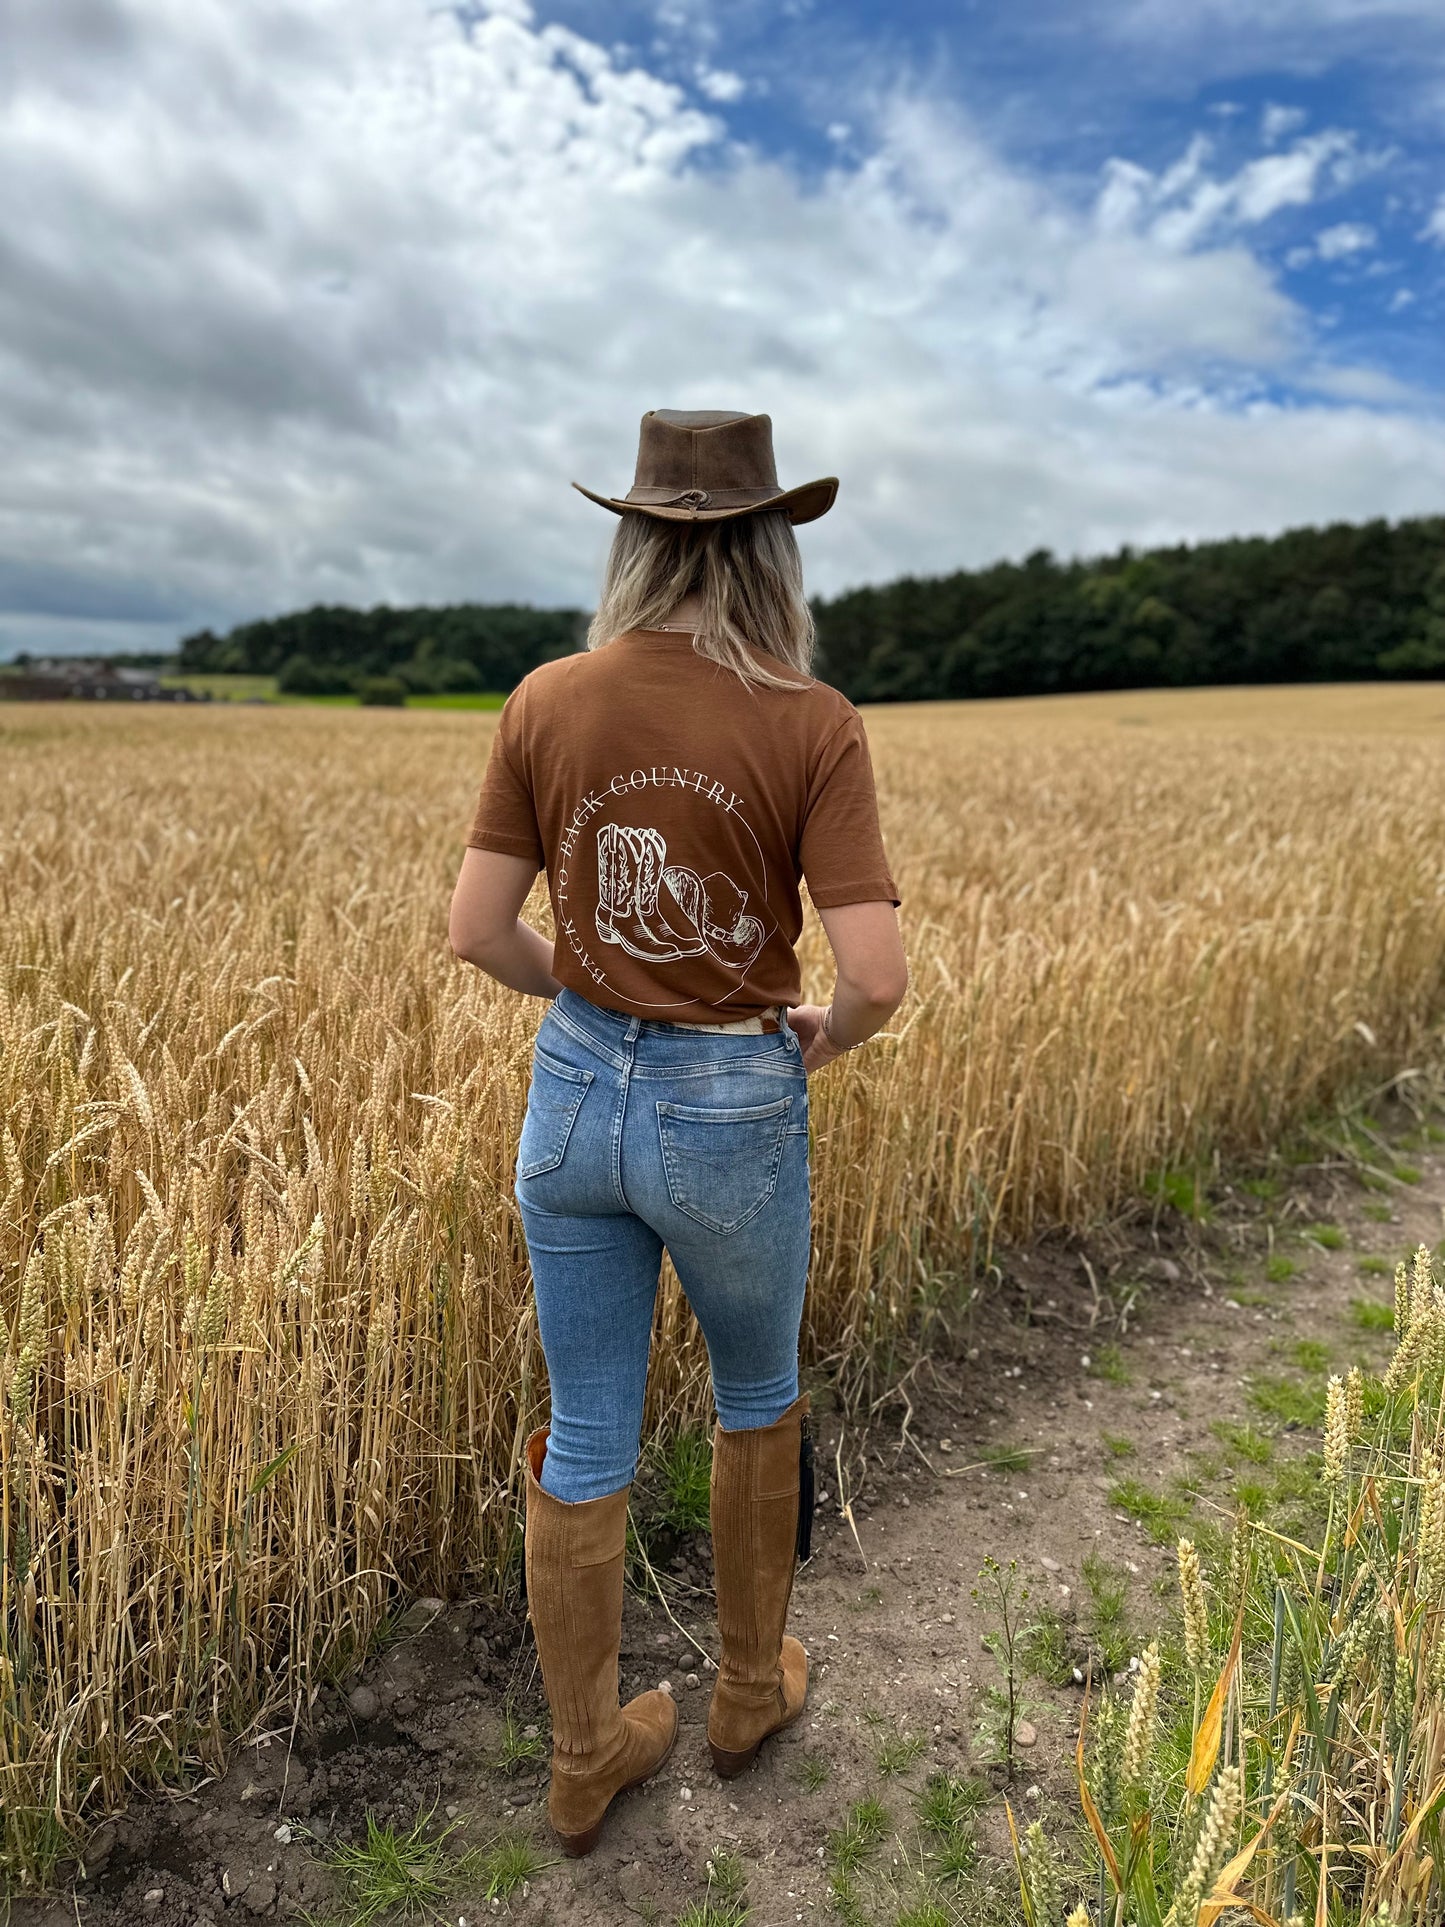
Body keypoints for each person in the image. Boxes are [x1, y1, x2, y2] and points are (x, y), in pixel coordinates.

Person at [449, 408, 907, 1856]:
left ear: (633, 538)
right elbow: (876, 975)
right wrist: (820, 1036)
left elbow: (476, 932)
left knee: (586, 1423)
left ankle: (584, 1758)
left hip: (574, 1091)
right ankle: (743, 1694)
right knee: (754, 1389)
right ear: (770, 548)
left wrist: (586, 995)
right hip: (729, 1097)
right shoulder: (808, 718)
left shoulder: (546, 698)